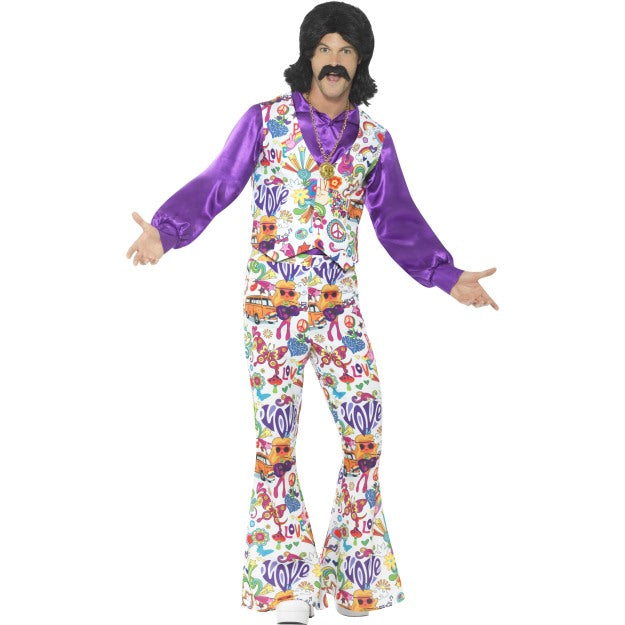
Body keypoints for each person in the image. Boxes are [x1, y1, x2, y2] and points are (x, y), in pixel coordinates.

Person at [126, 2, 498, 623]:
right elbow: (218, 183)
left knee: (364, 432)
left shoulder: (375, 141)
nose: (334, 61)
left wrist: (446, 275)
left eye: (346, 51)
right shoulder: (265, 121)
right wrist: (167, 230)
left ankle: (355, 579)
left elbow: (398, 220)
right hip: (271, 310)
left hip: (339, 314)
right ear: (309, 57)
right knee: (276, 443)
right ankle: (288, 586)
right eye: (325, 49)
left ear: (360, 63)